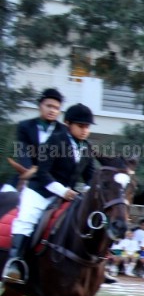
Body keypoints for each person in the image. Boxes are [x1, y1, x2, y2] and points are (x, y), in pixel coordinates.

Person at [3, 102, 96, 284]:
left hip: (66, 194)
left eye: (87, 127)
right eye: (81, 126)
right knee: (26, 219)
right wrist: (62, 191)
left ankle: (94, 265)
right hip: (40, 191)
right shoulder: (54, 141)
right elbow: (43, 172)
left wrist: (90, 191)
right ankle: (15, 262)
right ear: (68, 123)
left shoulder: (87, 147)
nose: (85, 130)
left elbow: (90, 176)